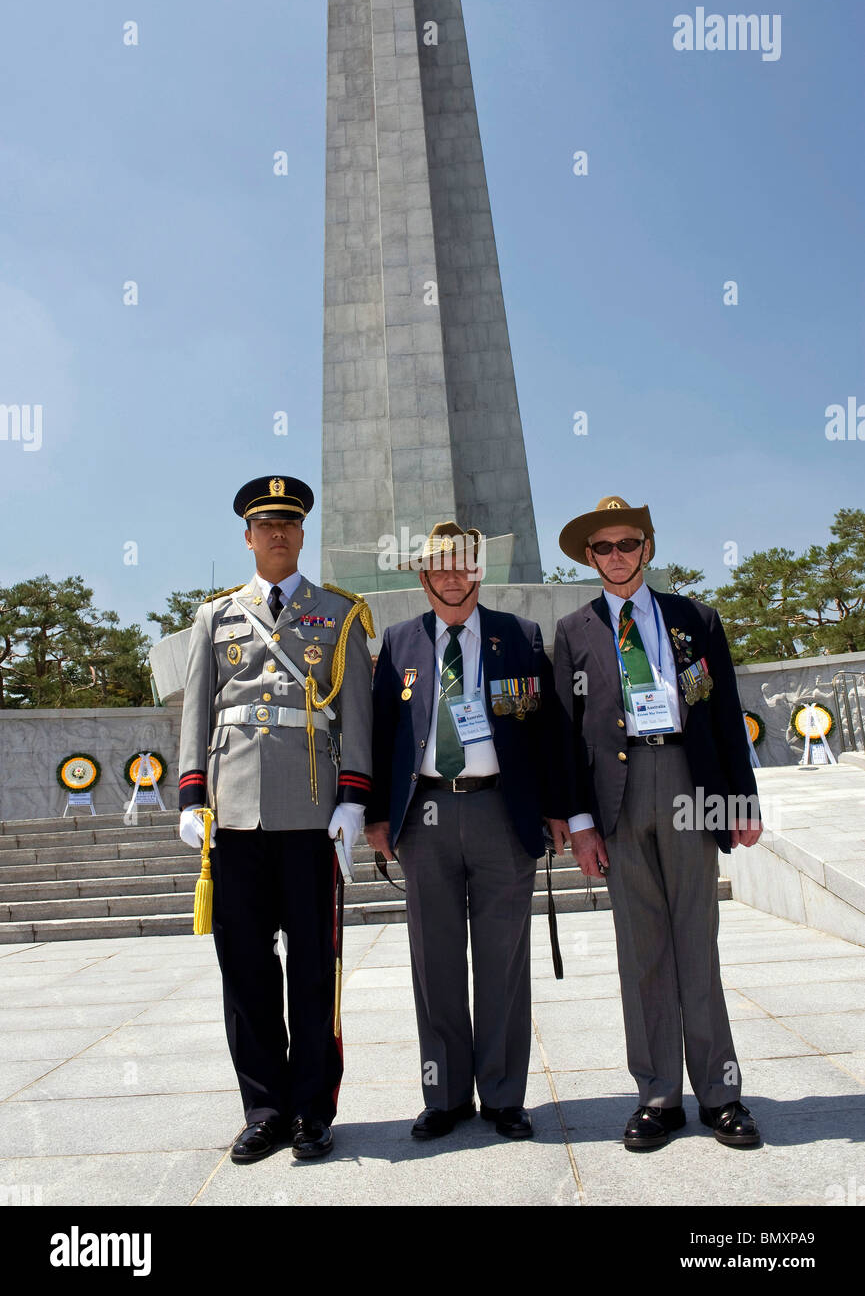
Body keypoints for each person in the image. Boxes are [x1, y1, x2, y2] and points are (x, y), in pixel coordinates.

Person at [553, 496, 763, 1151]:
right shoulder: (574, 630)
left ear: (646, 547)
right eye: (602, 548)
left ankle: (721, 1093)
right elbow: (563, 734)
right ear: (589, 557)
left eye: (626, 544)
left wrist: (741, 797)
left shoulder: (693, 618)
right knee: (641, 951)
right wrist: (580, 821)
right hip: (616, 796)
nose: (614, 556)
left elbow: (724, 711)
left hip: (686, 780)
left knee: (697, 943)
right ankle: (656, 1095)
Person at [178, 475, 373, 1163]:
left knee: (314, 970)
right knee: (246, 969)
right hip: (233, 816)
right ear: (248, 536)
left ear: (301, 533)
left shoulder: (340, 613)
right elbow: (197, 709)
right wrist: (191, 797)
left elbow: (358, 715)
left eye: (289, 523)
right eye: (266, 524)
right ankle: (263, 1109)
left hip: (310, 813)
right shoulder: (215, 617)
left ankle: (312, 1111)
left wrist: (354, 798)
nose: (278, 534)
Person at [365, 521, 571, 1141]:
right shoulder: (399, 643)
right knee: (435, 961)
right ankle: (445, 1093)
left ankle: (505, 1094)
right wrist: (377, 814)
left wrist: (558, 807)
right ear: (424, 579)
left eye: (463, 567)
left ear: (478, 573)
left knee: (504, 958)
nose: (452, 578)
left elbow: (548, 730)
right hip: (424, 816)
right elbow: (380, 734)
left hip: (500, 812)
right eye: (439, 569)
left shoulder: (520, 636)